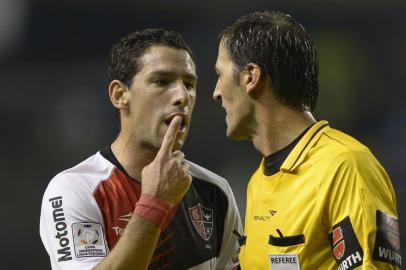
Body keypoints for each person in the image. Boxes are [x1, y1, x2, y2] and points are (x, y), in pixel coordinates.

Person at [213, 10, 401, 270]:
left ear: (251, 77)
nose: (216, 93)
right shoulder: (258, 181)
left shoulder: (346, 166)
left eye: (219, 75)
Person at [40, 28, 242, 270]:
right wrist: (155, 204)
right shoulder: (75, 189)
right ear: (120, 94)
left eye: (189, 84)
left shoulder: (215, 192)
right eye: (162, 81)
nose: (182, 96)